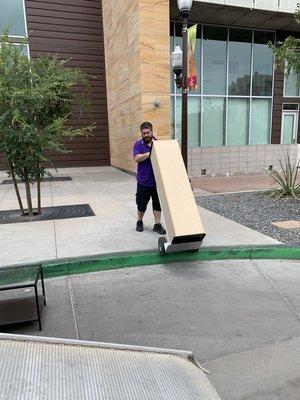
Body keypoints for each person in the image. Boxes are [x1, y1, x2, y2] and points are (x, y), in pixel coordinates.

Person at [133, 121, 166, 234]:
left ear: (152, 131)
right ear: (141, 133)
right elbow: (137, 158)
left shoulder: (158, 144)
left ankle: (157, 224)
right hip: (143, 181)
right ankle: (139, 221)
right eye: (144, 133)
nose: (146, 135)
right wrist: (150, 153)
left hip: (157, 182)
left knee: (157, 203)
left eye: (148, 132)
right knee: (141, 204)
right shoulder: (138, 144)